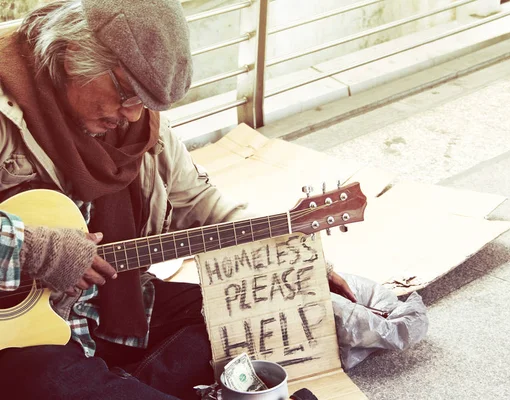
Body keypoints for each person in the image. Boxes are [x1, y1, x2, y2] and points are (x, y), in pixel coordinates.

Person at [0, 1, 356, 399]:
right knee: (45, 378)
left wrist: (293, 259)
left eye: (147, 101)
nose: (134, 116)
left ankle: (116, 384)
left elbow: (202, 205)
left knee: (246, 317)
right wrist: (33, 250)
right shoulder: (5, 108)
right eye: (126, 93)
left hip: (110, 308)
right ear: (72, 57)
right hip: (20, 343)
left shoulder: (145, 133)